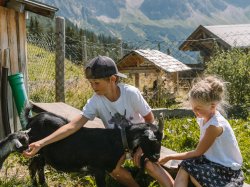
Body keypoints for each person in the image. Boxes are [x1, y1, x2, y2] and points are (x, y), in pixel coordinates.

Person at [23, 56, 174, 187]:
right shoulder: (95, 101)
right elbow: (74, 125)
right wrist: (41, 143)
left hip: (137, 140)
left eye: (97, 83)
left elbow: (150, 120)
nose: (93, 87)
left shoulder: (130, 94)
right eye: (91, 83)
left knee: (150, 165)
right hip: (116, 144)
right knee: (113, 169)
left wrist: (142, 148)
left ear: (113, 79)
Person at [159, 76, 244, 187]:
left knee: (192, 170)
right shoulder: (204, 119)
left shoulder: (215, 126)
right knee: (187, 165)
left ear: (212, 106)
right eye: (193, 107)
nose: (195, 111)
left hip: (226, 169)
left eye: (198, 108)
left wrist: (169, 157)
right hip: (212, 162)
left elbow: (197, 152)